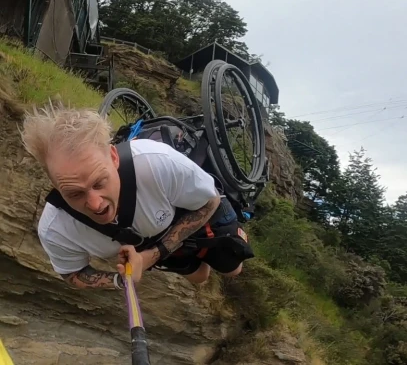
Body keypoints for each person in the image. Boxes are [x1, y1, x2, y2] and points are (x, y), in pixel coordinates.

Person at [20, 102, 253, 289]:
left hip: (191, 208)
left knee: (233, 269)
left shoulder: (157, 162)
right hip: (148, 236)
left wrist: (151, 256)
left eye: (99, 183)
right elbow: (72, 273)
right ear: (53, 183)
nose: (95, 204)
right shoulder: (55, 229)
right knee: (200, 277)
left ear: (113, 157)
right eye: (74, 193)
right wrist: (121, 279)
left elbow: (209, 201)